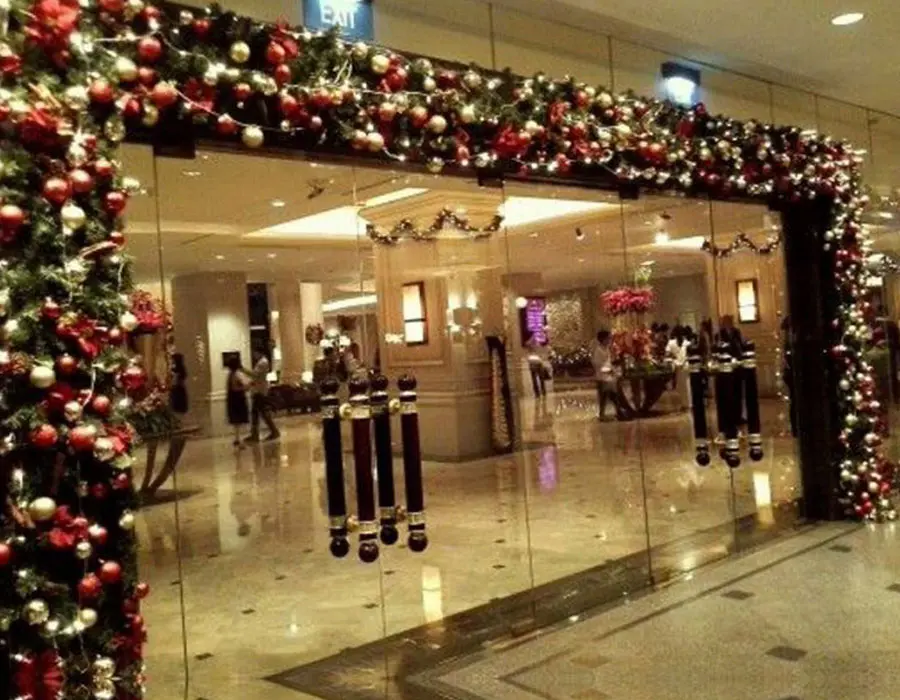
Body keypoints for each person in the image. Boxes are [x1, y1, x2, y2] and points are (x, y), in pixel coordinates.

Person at [247, 348, 280, 442]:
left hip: (260, 391)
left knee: (260, 412)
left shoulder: (262, 362)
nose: (254, 355)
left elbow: (254, 375)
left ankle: (272, 431)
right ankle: (256, 433)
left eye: (255, 353)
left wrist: (242, 369)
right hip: (259, 390)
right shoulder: (262, 362)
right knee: (257, 412)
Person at [592, 330, 620, 420]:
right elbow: (598, 365)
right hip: (602, 377)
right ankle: (602, 414)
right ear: (603, 339)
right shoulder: (598, 351)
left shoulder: (606, 349)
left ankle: (618, 412)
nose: (609, 340)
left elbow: (608, 362)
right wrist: (608, 369)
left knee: (613, 396)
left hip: (608, 377)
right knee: (604, 397)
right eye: (608, 338)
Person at [225, 355, 250, 448]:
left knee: (236, 421)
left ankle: (237, 438)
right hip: (239, 398)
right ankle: (240, 441)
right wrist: (247, 386)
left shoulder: (230, 374)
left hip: (232, 398)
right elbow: (237, 387)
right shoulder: (238, 374)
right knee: (240, 419)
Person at [526, 332, 550, 398]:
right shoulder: (536, 343)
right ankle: (541, 393)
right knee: (539, 378)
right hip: (536, 362)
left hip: (535, 362)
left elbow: (527, 344)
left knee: (537, 378)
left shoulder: (533, 344)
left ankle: (539, 393)